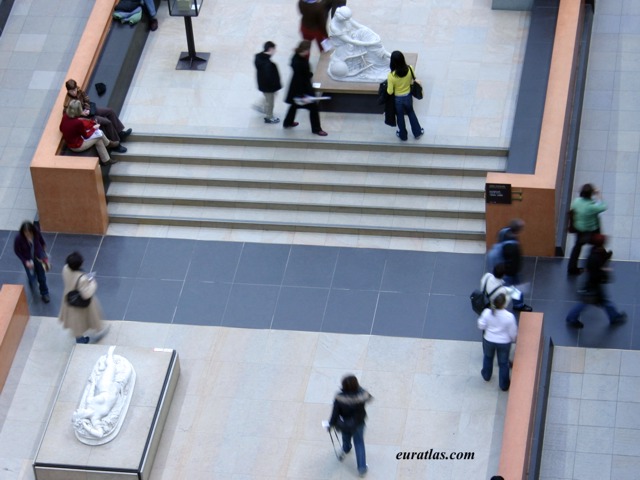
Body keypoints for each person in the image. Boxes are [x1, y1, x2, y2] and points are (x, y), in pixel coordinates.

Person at [566, 234, 626, 328]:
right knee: (594, 302)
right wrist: (604, 273)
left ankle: (572, 318)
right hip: (593, 286)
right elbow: (596, 272)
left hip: (591, 285)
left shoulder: (594, 251)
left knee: (587, 302)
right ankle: (614, 317)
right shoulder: (595, 257)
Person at [63, 78, 130, 152]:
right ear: (68, 91)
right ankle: (116, 144)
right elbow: (70, 116)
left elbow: (87, 99)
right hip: (84, 119)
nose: (74, 92)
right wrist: (81, 113)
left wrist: (87, 108)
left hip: (89, 110)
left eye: (75, 89)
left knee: (110, 111)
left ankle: (120, 133)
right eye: (72, 91)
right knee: (107, 122)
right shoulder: (67, 103)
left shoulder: (79, 91)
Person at [328, 6, 390, 82]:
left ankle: (380, 56)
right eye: (346, 19)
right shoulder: (334, 27)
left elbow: (360, 27)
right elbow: (350, 41)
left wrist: (371, 33)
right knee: (370, 47)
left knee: (364, 32)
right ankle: (379, 61)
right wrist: (369, 43)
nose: (347, 20)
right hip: (347, 46)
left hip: (353, 38)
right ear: (341, 17)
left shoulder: (346, 18)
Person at [59, 251, 110, 344]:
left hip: (69, 299)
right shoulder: (82, 278)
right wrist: (92, 283)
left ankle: (80, 339)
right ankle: (83, 340)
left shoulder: (65, 269)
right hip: (80, 305)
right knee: (86, 320)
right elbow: (86, 294)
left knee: (75, 325)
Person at [328, 374, 373, 477]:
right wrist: (359, 388)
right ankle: (362, 468)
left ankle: (346, 448)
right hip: (359, 423)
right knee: (359, 443)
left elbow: (335, 413)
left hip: (344, 423)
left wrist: (331, 424)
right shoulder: (362, 395)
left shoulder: (339, 397)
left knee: (346, 437)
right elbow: (369, 398)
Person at [283, 40, 328, 136]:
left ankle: (288, 122)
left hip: (296, 89)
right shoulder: (300, 63)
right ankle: (316, 129)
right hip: (302, 91)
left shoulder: (296, 57)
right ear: (303, 50)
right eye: (307, 50)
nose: (308, 52)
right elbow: (301, 79)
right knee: (313, 108)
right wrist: (303, 95)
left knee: (294, 106)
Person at [477, 294, 518, 391]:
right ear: (504, 304)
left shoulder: (487, 312)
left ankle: (486, 375)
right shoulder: (509, 317)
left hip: (489, 340)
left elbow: (481, 325)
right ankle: (503, 385)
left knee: (488, 357)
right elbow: (513, 332)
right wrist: (513, 339)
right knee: (503, 363)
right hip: (504, 343)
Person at [60, 100, 117, 166]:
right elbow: (86, 136)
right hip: (77, 146)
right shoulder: (77, 123)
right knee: (98, 137)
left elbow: (61, 128)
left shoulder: (65, 116)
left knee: (98, 139)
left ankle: (106, 159)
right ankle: (108, 144)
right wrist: (94, 128)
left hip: (71, 142)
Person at [493, 219, 532, 312]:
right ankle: (516, 305)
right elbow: (515, 262)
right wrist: (515, 273)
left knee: (503, 287)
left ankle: (496, 302)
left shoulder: (503, 232)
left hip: (501, 266)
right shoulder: (513, 245)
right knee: (514, 288)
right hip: (509, 271)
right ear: (517, 230)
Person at [567, 183, 607, 275]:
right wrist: (598, 194)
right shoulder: (591, 207)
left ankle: (572, 268)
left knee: (577, 247)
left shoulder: (576, 201)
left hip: (578, 229)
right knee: (599, 243)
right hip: (591, 231)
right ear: (590, 194)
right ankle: (602, 259)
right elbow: (604, 206)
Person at [386, 51, 424, 141]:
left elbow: (390, 91)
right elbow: (414, 78)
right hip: (408, 97)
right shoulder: (410, 69)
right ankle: (417, 132)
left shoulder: (391, 76)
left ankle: (403, 135)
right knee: (411, 113)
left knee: (400, 116)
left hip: (397, 99)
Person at [13, 221, 50, 303]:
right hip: (27, 260)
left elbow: (41, 241)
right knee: (32, 277)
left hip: (39, 257)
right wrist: (25, 261)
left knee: (42, 277)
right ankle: (31, 279)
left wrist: (44, 251)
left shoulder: (36, 233)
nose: (28, 234)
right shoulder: (18, 238)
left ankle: (44, 293)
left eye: (29, 232)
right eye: (25, 232)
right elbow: (17, 251)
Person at [254, 41, 282, 124]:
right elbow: (269, 78)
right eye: (274, 49)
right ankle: (269, 117)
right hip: (269, 87)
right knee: (270, 102)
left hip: (262, 84)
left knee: (269, 97)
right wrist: (274, 86)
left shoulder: (258, 57)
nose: (275, 51)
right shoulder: (268, 64)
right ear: (270, 49)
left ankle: (260, 106)